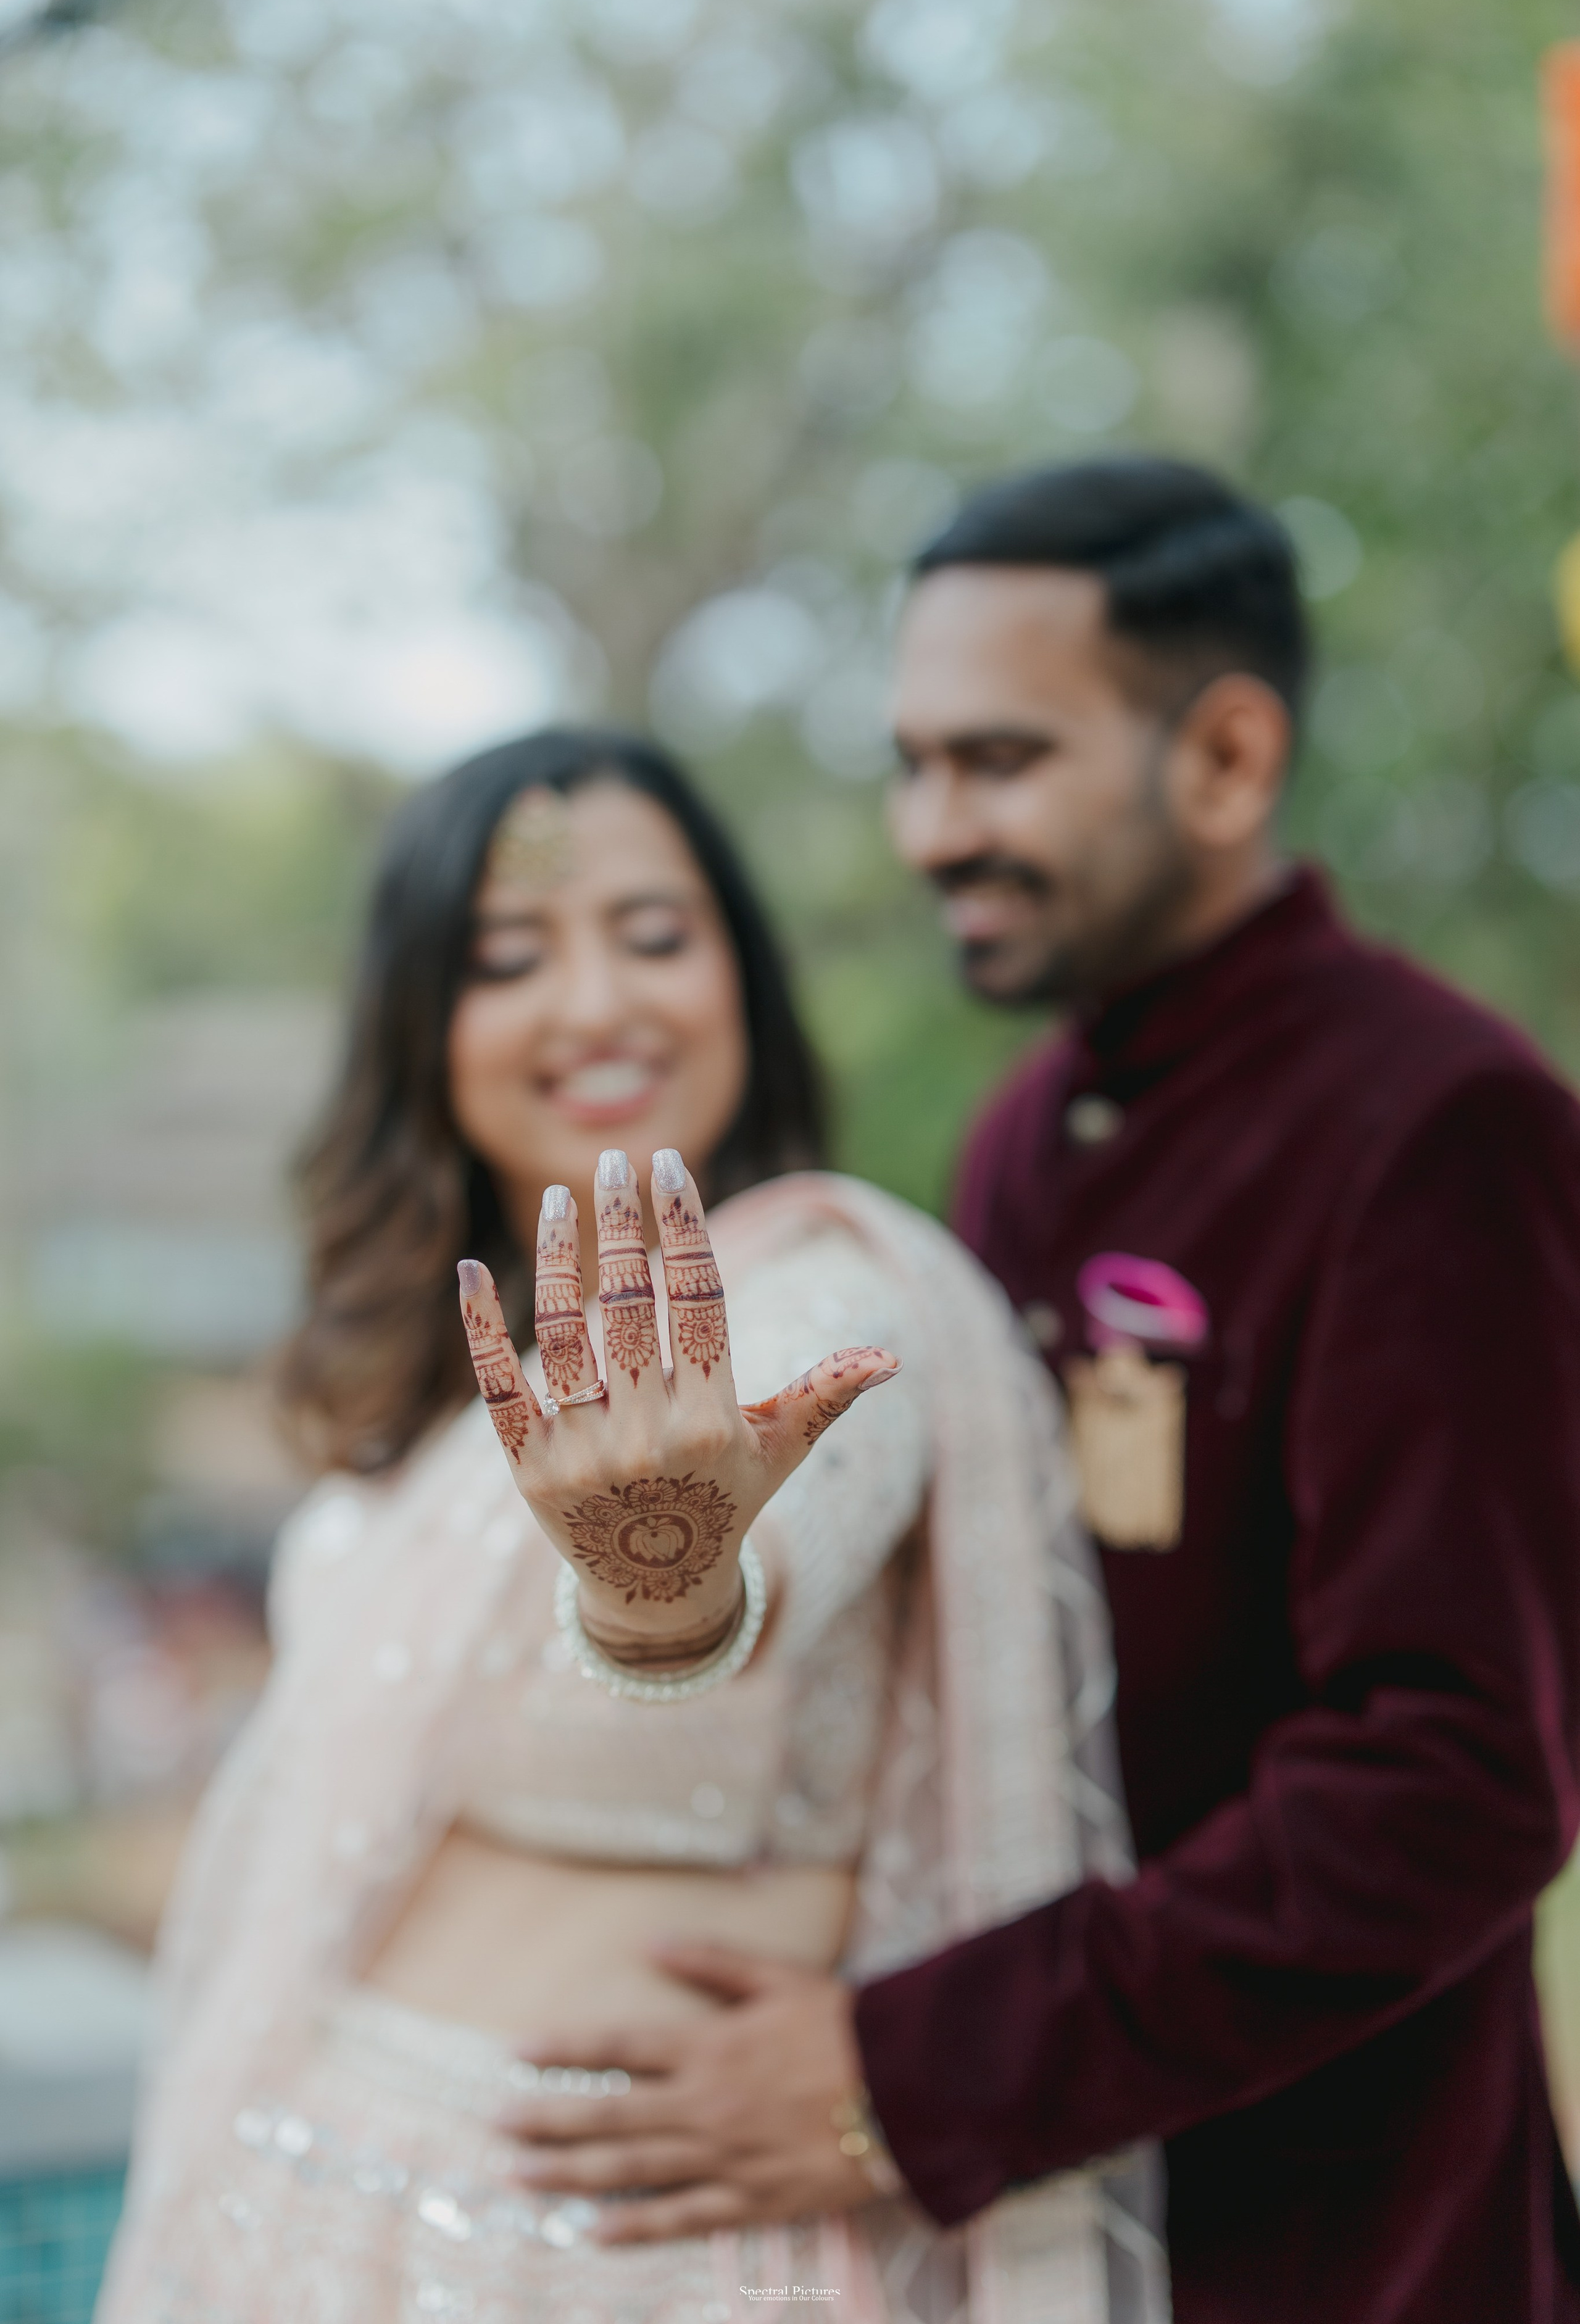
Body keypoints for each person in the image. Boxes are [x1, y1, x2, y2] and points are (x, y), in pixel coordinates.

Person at [509, 460, 1580, 2324]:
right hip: (1053, 2222)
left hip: (1347, 2238)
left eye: (998, 763)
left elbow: (1459, 1780)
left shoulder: (1443, 1125)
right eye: (911, 763)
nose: (931, 830)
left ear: (1229, 760)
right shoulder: (1027, 1140)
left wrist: (905, 2074)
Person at [96, 727, 1167, 2324]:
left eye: (656, 937)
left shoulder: (825, 1300)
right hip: (300, 2219)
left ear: (742, 975)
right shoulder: (442, 1392)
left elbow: (748, 1574)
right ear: (423, 1024)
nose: (597, 1003)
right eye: (510, 957)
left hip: (614, 2268)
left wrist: (662, 1581)